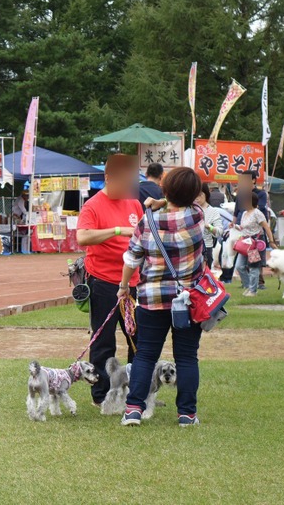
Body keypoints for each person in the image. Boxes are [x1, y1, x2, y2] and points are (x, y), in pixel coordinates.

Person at [117, 167, 206, 427]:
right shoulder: (198, 217)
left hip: (151, 298)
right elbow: (184, 200)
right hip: (188, 300)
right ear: (195, 194)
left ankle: (133, 410)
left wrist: (124, 286)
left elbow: (132, 259)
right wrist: (166, 200)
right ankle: (187, 414)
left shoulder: (147, 222)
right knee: (187, 357)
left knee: (145, 355)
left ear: (164, 190)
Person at [77, 154, 142, 406]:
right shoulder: (93, 205)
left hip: (132, 281)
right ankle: (101, 394)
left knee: (137, 337)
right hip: (103, 281)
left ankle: (135, 390)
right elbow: (82, 237)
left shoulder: (134, 204)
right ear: (108, 178)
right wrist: (117, 230)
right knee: (104, 341)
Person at [235, 192, 276, 297]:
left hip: (254, 243)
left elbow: (266, 227)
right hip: (245, 243)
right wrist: (235, 226)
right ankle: (249, 286)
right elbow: (243, 227)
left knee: (254, 267)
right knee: (239, 266)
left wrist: (271, 241)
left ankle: (253, 290)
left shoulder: (257, 213)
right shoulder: (244, 213)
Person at [195, 184, 223, 270]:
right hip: (192, 247)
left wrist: (209, 227)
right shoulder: (190, 209)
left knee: (204, 276)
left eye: (199, 195)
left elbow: (219, 231)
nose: (196, 198)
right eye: (194, 195)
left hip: (206, 247)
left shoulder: (213, 211)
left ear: (206, 194)